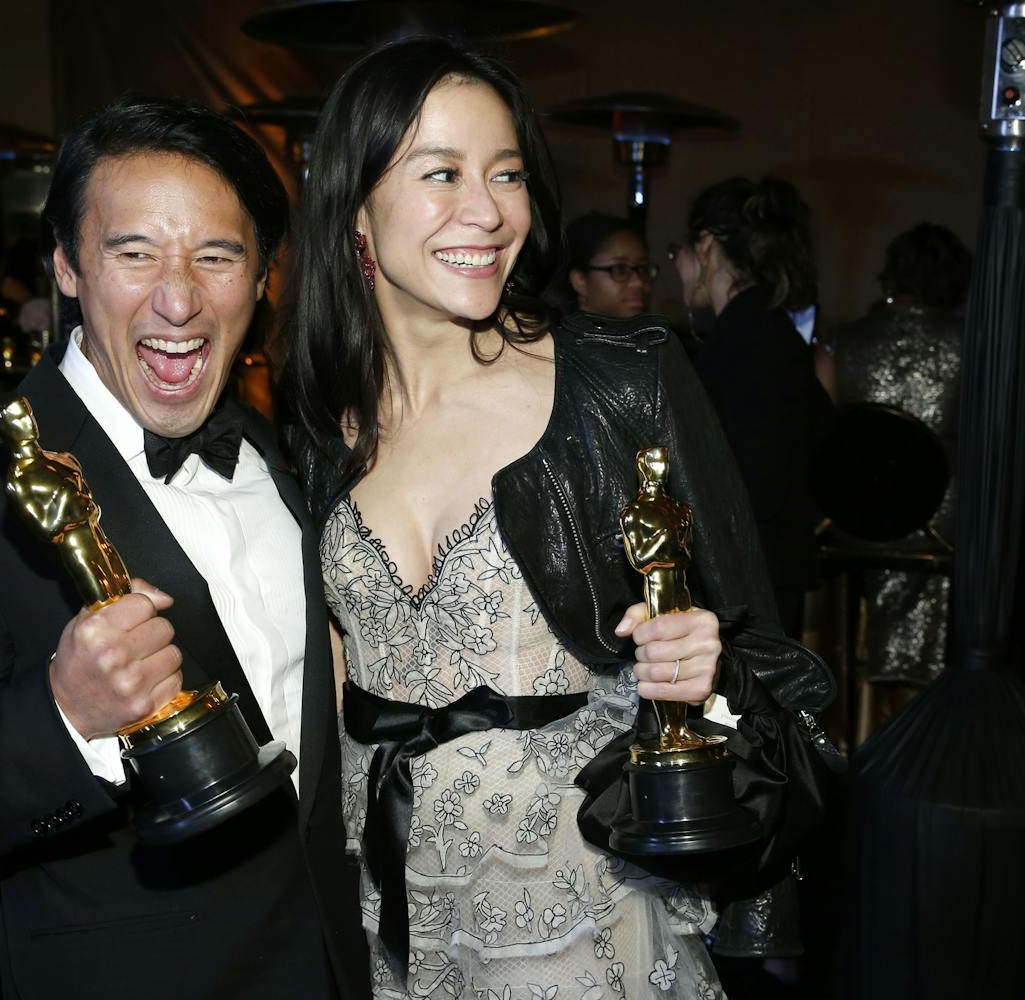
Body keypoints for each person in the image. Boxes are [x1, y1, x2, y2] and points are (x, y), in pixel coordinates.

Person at [277, 38, 835, 1000]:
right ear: (354, 208)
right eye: (442, 173)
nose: (489, 212)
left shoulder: (617, 382)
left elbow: (769, 660)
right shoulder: (324, 422)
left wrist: (703, 672)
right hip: (393, 908)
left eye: (507, 174)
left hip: (578, 912)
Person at [0, 99, 365, 998]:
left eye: (217, 254)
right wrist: (66, 715)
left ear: (264, 277)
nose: (178, 296)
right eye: (134, 253)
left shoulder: (288, 458)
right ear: (67, 265)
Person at [673, 177, 833, 637]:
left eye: (678, 253)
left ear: (704, 246)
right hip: (771, 576)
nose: (677, 268)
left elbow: (738, 487)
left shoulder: (742, 343)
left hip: (743, 591)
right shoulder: (774, 331)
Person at [830, 222, 970, 685]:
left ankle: (857, 706)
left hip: (857, 520)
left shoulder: (843, 342)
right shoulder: (974, 343)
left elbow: (822, 439)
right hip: (946, 524)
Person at [558, 211, 657, 317]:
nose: (638, 282)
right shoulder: (552, 333)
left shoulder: (658, 331)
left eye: (643, 269)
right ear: (580, 280)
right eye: (620, 270)